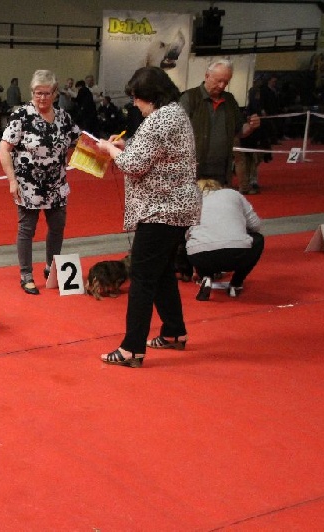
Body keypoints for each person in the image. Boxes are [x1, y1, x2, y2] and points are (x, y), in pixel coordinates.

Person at [94, 66, 201, 368]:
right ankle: (173, 333)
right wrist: (126, 146)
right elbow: (155, 154)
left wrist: (109, 150)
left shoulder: (158, 120)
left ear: (149, 97)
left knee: (141, 277)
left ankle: (132, 349)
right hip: (177, 207)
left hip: (160, 209)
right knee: (163, 271)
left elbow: (133, 165)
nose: (135, 105)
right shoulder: (175, 113)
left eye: (136, 99)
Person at [0, 70, 81, 295]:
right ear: (32, 92)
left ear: (55, 93)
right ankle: (26, 274)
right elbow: (4, 148)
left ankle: (51, 268)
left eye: (46, 93)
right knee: (27, 229)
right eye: (37, 93)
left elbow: (81, 141)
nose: (42, 98)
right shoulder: (21, 116)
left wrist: (106, 146)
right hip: (28, 185)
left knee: (57, 227)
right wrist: (12, 181)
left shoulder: (64, 117)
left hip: (57, 184)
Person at [180, 59, 261, 187]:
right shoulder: (189, 98)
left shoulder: (230, 100)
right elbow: (176, 132)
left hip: (222, 172)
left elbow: (240, 131)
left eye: (226, 82)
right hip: (193, 172)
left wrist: (251, 126)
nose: (222, 85)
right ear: (207, 76)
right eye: (219, 81)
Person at [186, 179, 264, 301]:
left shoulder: (190, 201)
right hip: (237, 252)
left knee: (196, 242)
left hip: (200, 255)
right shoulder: (233, 194)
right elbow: (256, 225)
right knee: (258, 239)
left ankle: (205, 277)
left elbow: (185, 234)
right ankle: (236, 283)